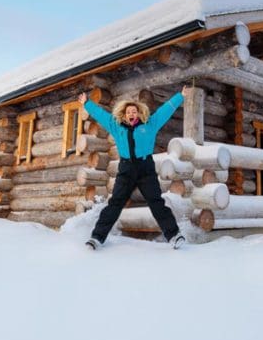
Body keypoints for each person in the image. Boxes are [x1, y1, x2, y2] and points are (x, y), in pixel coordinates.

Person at [78, 86, 190, 250]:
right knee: (115, 203)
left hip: (145, 168)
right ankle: (97, 237)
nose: (132, 114)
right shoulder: (116, 127)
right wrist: (87, 103)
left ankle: (174, 235)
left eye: (134, 111)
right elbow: (101, 115)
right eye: (129, 111)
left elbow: (164, 111)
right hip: (126, 169)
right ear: (124, 114)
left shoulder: (149, 125)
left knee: (156, 202)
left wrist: (180, 96)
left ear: (139, 114)